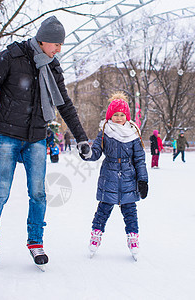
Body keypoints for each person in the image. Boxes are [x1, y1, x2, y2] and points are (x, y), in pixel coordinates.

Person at [0, 16, 91, 266]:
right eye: (56, 45)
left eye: (60, 45)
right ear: (44, 40)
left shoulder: (52, 67)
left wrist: (81, 138)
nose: (59, 49)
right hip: (6, 135)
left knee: (38, 193)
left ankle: (35, 242)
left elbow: (65, 105)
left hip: (37, 137)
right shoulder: (12, 57)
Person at [80, 92, 148, 260]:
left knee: (130, 211)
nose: (119, 118)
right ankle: (96, 234)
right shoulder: (105, 131)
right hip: (109, 176)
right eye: (115, 115)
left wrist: (143, 180)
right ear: (110, 116)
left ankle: (133, 239)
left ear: (127, 116)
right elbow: (96, 152)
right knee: (103, 210)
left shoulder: (133, 134)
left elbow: (139, 159)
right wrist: (87, 153)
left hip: (128, 177)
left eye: (122, 114)